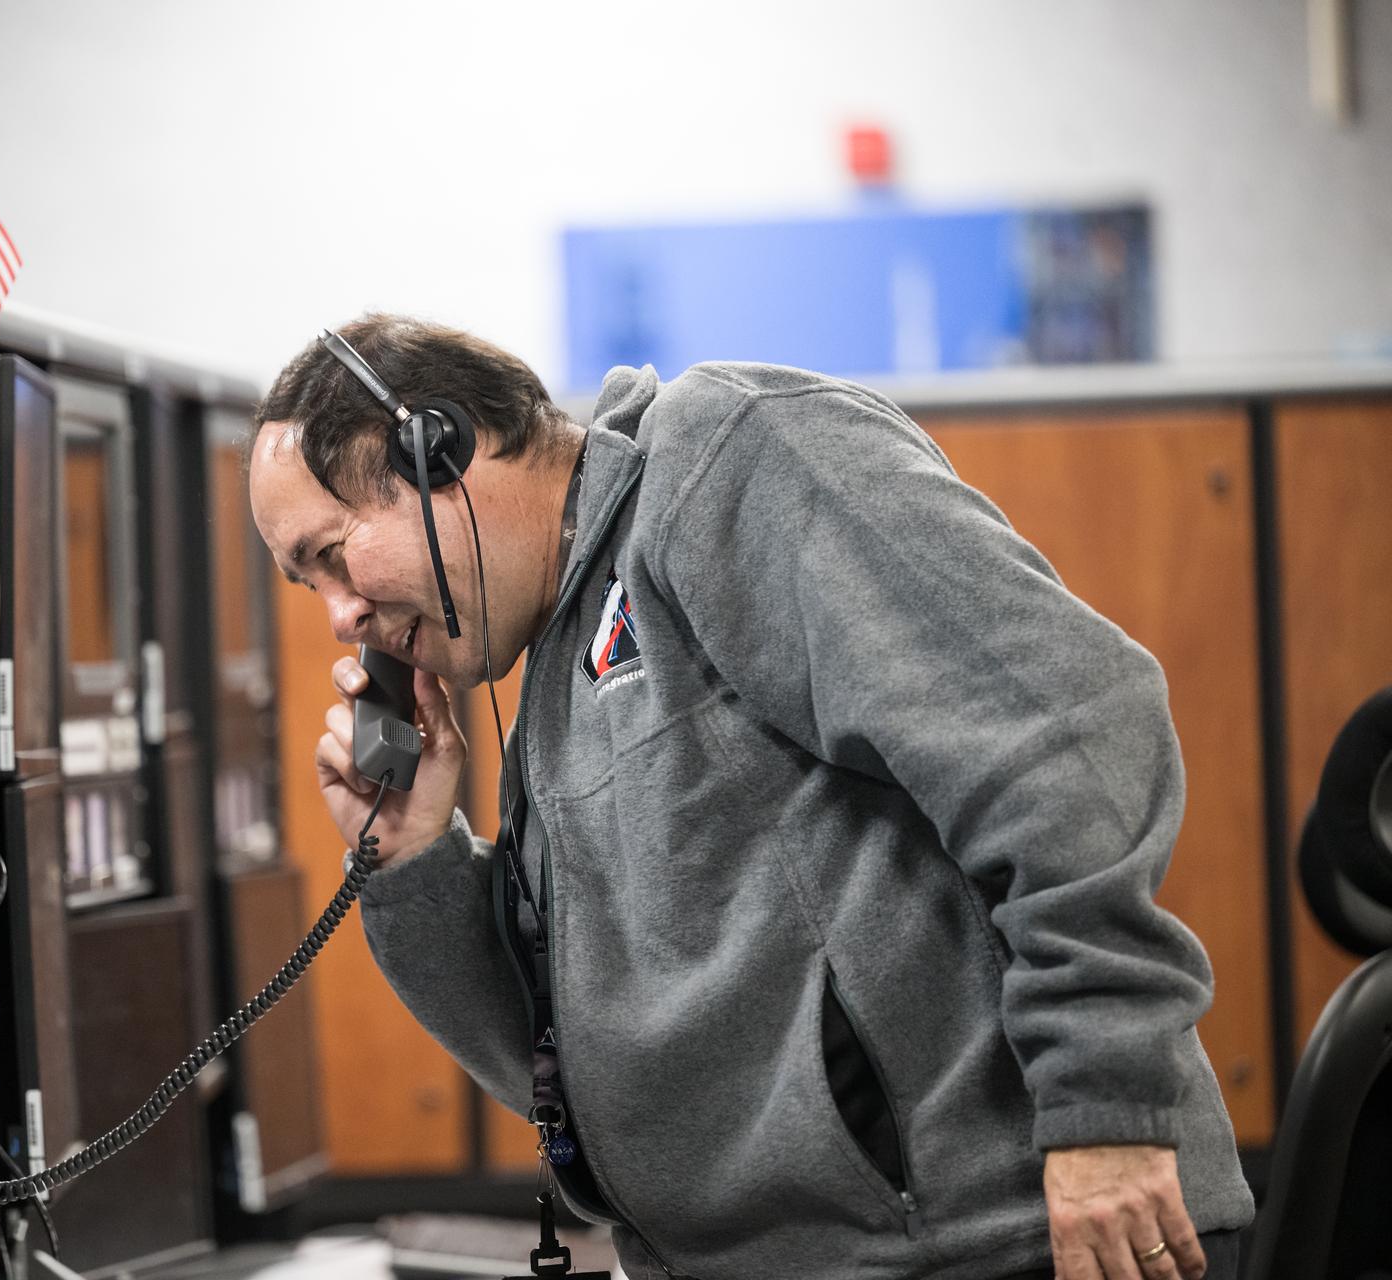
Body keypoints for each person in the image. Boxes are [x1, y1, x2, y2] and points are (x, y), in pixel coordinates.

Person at [247, 314, 1254, 1280]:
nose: (340, 617)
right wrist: (419, 858)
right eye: (308, 587)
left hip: (1010, 1239)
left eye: (333, 554)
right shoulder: (548, 692)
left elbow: (1062, 731)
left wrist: (1107, 1106)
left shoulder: (724, 457)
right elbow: (572, 1085)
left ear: (440, 449)